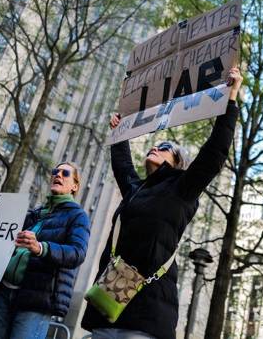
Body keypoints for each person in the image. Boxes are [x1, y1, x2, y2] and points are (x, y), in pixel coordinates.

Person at [81, 67, 243, 339]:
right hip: (108, 306)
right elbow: (121, 162)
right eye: (155, 144)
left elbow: (215, 151)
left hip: (147, 314)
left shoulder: (183, 188)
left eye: (166, 146)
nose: (156, 146)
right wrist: (120, 130)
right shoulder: (134, 190)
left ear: (178, 162)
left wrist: (231, 98)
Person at [0, 161, 91, 339]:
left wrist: (41, 248)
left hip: (36, 299)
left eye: (65, 173)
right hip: (2, 293)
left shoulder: (78, 216)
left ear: (74, 186)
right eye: (56, 171)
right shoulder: (34, 214)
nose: (58, 175)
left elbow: (77, 253)